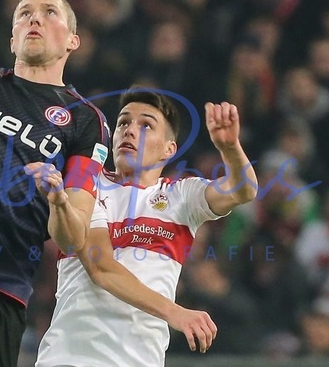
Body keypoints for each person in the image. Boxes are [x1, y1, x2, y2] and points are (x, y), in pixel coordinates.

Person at [0, 0, 214, 367]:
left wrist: (58, 199)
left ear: (73, 41)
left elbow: (72, 237)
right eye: (24, 13)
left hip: (2, 289)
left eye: (49, 12)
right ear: (13, 39)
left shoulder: (87, 123)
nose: (34, 18)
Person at [35, 88, 258, 366]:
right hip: (70, 357)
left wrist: (230, 148)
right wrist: (174, 312)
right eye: (123, 123)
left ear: (169, 149)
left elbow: (244, 191)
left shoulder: (181, 196)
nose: (129, 130)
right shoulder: (87, 186)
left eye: (146, 126)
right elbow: (101, 268)